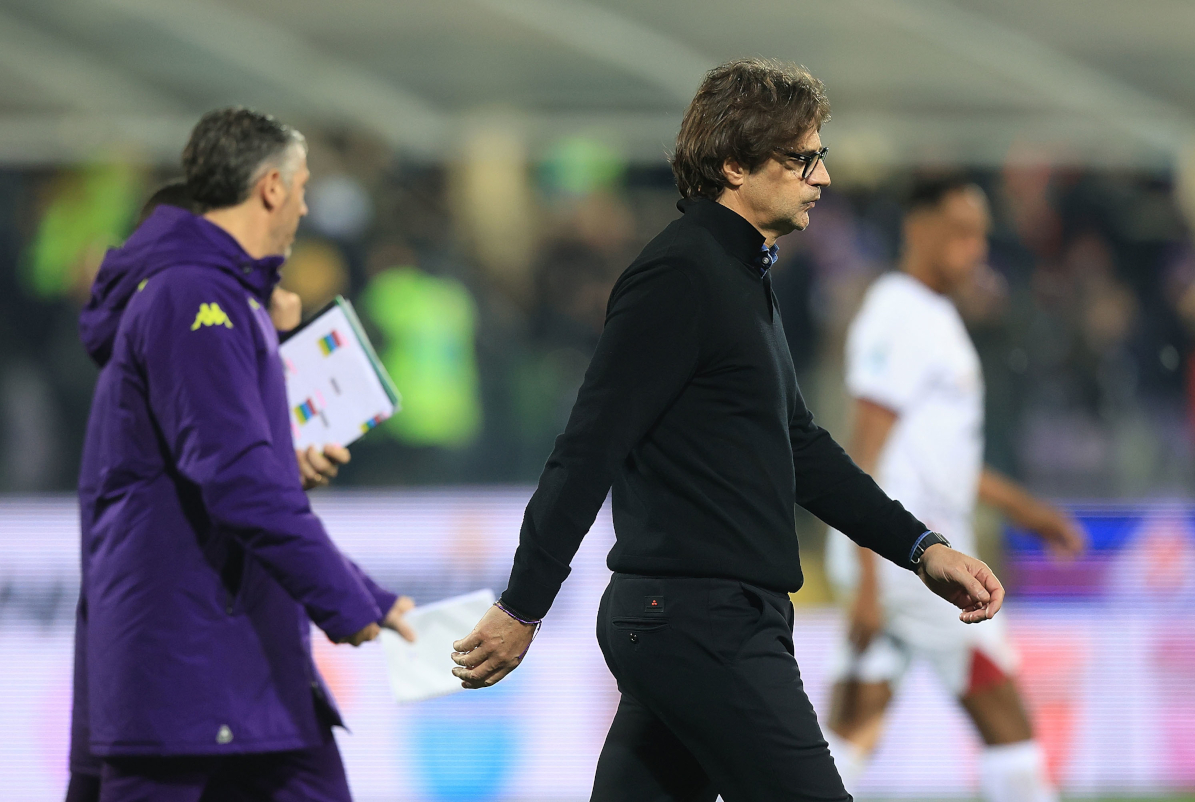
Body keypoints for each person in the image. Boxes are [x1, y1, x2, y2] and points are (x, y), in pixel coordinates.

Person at [451, 58, 1006, 802]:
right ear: (734, 164)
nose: (823, 178)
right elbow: (588, 448)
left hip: (693, 621)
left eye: (821, 156)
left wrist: (920, 548)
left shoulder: (740, 276)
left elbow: (800, 446)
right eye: (802, 158)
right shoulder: (680, 277)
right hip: (702, 624)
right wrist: (524, 604)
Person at [69, 107, 414, 802]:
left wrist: (363, 592)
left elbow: (221, 470)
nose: (308, 205)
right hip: (187, 667)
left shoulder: (218, 299)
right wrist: (347, 600)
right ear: (271, 189)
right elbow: (237, 482)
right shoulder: (194, 299)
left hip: (237, 663)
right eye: (304, 185)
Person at [823, 177, 1086, 802]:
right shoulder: (899, 312)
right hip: (908, 558)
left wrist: (1029, 512)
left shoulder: (933, 316)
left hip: (901, 557)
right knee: (1008, 723)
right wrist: (866, 581)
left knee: (854, 726)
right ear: (919, 229)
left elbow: (940, 461)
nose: (975, 249)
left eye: (981, 236)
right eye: (961, 232)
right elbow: (862, 457)